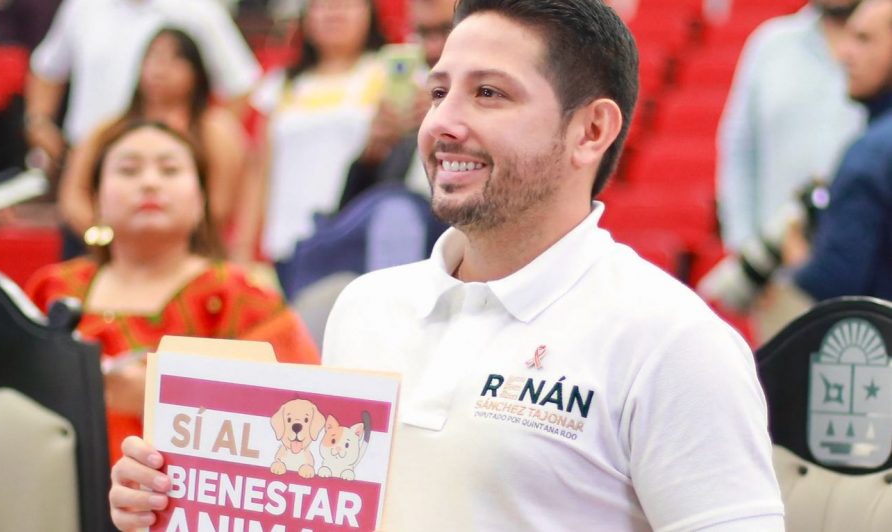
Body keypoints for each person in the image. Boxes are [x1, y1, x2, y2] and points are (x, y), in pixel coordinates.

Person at [109, 1, 784, 530]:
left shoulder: (675, 343)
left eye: (489, 93)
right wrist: (176, 500)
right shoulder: (364, 308)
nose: (442, 124)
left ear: (591, 131)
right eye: (438, 93)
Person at [25, 119, 320, 464]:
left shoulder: (239, 296)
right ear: (97, 198)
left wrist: (163, 397)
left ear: (201, 200)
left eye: (170, 169)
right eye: (128, 170)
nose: (149, 182)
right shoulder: (53, 288)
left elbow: (305, 411)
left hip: (188, 492)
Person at [762, 0, 892, 331]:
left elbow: (834, 283)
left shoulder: (870, 155)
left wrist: (796, 258)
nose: (845, 54)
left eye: (864, 39)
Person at [57, 28, 247, 252]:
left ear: (196, 72)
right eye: (154, 57)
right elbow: (74, 195)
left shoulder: (215, 131)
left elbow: (220, 206)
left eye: (175, 59)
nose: (160, 69)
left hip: (192, 251)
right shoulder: (109, 130)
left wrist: (166, 243)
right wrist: (105, 238)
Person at [232, 0, 386, 265]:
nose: (334, 11)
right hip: (287, 244)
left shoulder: (390, 72)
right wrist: (242, 248)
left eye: (347, 4)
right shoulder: (281, 84)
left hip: (363, 241)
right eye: (321, 5)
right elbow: (259, 169)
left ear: (370, 13)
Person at [24, 0, 260, 170]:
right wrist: (39, 122)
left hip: (165, 169)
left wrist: (203, 145)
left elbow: (241, 85)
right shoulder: (83, 6)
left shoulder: (198, 9)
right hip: (87, 160)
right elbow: (47, 69)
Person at [717, 0, 866, 251]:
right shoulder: (771, 45)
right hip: (777, 258)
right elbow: (740, 149)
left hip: (867, 259)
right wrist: (744, 246)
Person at [337, 0, 457, 208]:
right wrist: (371, 159)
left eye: (446, 31)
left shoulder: (502, 102)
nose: (432, 49)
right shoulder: (409, 102)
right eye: (422, 33)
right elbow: (350, 217)